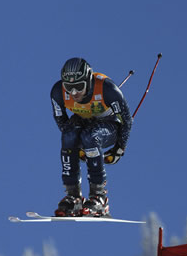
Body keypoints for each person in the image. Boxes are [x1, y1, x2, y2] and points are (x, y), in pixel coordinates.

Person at [50, 57, 133, 217]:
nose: (74, 93)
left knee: (91, 136)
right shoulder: (58, 92)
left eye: (79, 87)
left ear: (88, 81)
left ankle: (99, 197)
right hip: (83, 121)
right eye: (69, 87)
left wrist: (119, 148)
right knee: (68, 135)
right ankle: (73, 196)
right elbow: (61, 120)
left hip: (109, 124)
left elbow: (126, 119)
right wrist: (74, 145)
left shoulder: (107, 89)